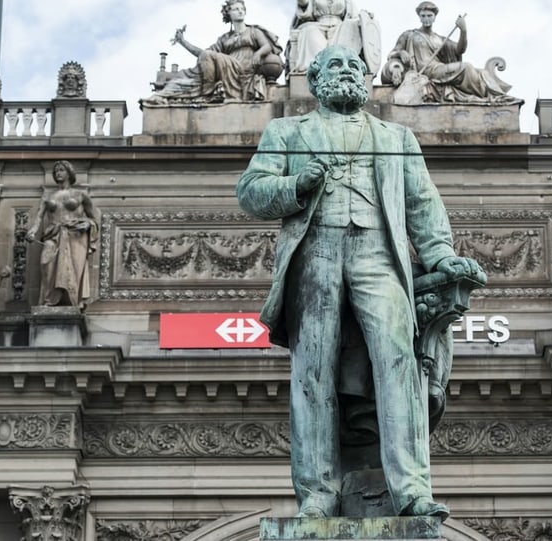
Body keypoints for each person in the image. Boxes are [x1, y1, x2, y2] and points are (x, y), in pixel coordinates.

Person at [237, 45, 480, 520]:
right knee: (313, 373)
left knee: (398, 361)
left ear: (366, 79)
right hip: (315, 255)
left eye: (355, 66)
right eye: (336, 65)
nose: (347, 71)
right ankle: (317, 495)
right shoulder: (286, 132)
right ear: (316, 79)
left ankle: (411, 489)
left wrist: (442, 256)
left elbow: (423, 205)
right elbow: (250, 191)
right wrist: (295, 186)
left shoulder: (397, 136)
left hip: (377, 254)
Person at [142, 0, 281, 105]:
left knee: (208, 56)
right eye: (236, 9)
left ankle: (206, 92)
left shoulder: (253, 31)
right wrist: (183, 42)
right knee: (185, 76)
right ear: (228, 14)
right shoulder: (225, 38)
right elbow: (202, 54)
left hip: (243, 67)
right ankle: (166, 94)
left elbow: (267, 46)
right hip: (225, 68)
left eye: (242, 9)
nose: (240, 11)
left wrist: (258, 54)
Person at [380, 1, 517, 104]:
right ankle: (488, 95)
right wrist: (401, 53)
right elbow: (391, 54)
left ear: (434, 17)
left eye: (429, 15)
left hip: (439, 69)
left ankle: (494, 96)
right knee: (466, 67)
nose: (426, 18)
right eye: (423, 16)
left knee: (482, 73)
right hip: (427, 72)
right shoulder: (409, 35)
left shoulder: (440, 40)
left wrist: (463, 31)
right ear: (419, 17)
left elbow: (460, 50)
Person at [27, 160, 98, 308]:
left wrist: (88, 224)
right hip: (53, 233)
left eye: (61, 170)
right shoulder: (48, 196)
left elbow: (93, 218)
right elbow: (39, 217)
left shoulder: (80, 195)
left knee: (74, 268)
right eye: (56, 171)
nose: (58, 173)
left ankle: (72, 301)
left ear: (69, 173)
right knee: (46, 261)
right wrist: (33, 231)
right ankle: (48, 299)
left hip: (75, 236)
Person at [287, 0, 381, 75]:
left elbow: (354, 16)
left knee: (351, 25)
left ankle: (344, 65)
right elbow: (304, 9)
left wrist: (365, 17)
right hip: (318, 25)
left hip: (339, 27)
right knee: (308, 31)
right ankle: (314, 69)